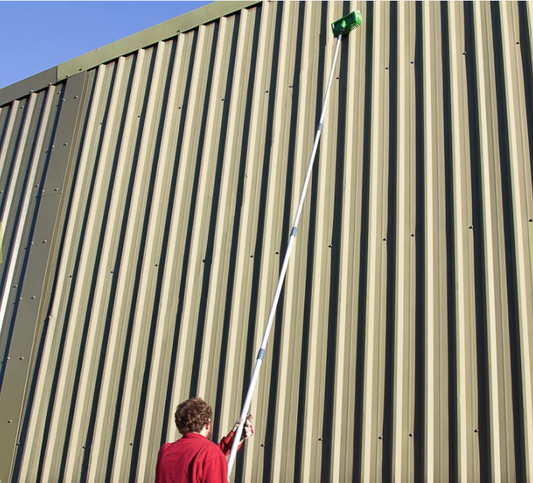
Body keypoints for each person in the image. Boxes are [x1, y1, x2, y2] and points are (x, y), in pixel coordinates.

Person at [155, 397, 254, 483]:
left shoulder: (165, 451)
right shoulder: (209, 452)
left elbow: (199, 461)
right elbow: (206, 457)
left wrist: (235, 438)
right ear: (208, 422)